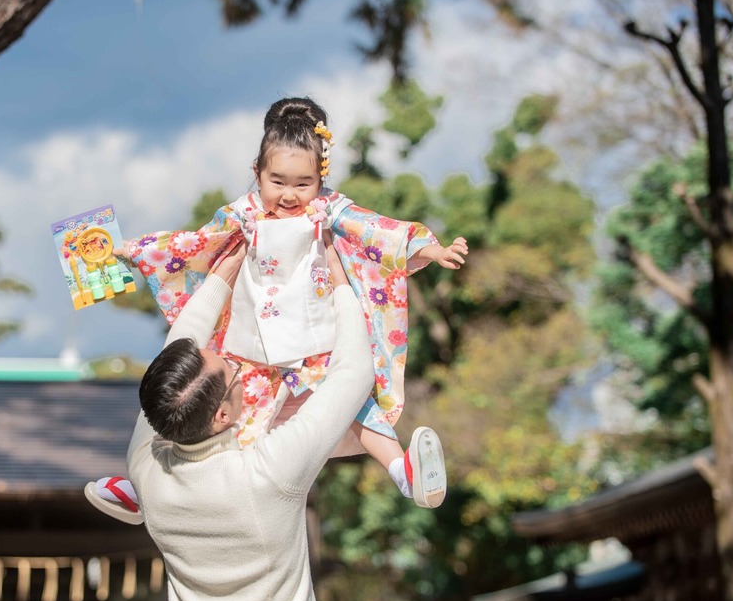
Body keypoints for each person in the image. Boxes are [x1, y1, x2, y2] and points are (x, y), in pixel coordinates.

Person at [86, 96, 467, 524]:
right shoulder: (242, 214)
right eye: (278, 181)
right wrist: (127, 250)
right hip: (251, 351)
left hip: (316, 343)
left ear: (321, 178)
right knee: (201, 410)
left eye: (303, 184)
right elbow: (193, 244)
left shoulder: (329, 211)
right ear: (258, 173)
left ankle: (403, 473)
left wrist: (427, 247)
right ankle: (144, 487)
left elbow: (377, 230)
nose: (289, 195)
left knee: (356, 404)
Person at [117, 235, 373, 601]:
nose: (237, 366)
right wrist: (344, 286)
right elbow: (354, 373)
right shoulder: (268, 471)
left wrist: (218, 280)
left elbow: (175, 362)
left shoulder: (146, 467)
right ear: (222, 414)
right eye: (233, 375)